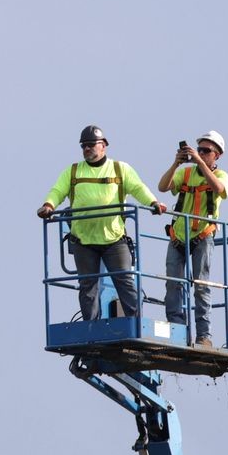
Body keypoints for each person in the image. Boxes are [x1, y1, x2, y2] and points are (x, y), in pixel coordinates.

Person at [37, 126, 167, 320]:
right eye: (84, 146)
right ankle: (91, 327)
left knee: (125, 281)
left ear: (103, 146)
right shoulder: (73, 171)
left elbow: (138, 187)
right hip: (83, 240)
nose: (87, 149)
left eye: (91, 145)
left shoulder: (120, 169)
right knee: (87, 285)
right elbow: (58, 191)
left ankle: (136, 323)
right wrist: (48, 205)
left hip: (113, 239)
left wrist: (153, 202)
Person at [158, 130, 228, 348]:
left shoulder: (221, 175)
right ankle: (177, 331)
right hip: (179, 235)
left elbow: (219, 190)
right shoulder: (186, 173)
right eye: (199, 150)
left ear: (216, 155)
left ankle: (204, 335)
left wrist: (199, 162)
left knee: (201, 285)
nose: (200, 153)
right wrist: (175, 164)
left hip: (203, 235)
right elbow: (163, 187)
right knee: (173, 284)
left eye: (206, 151)